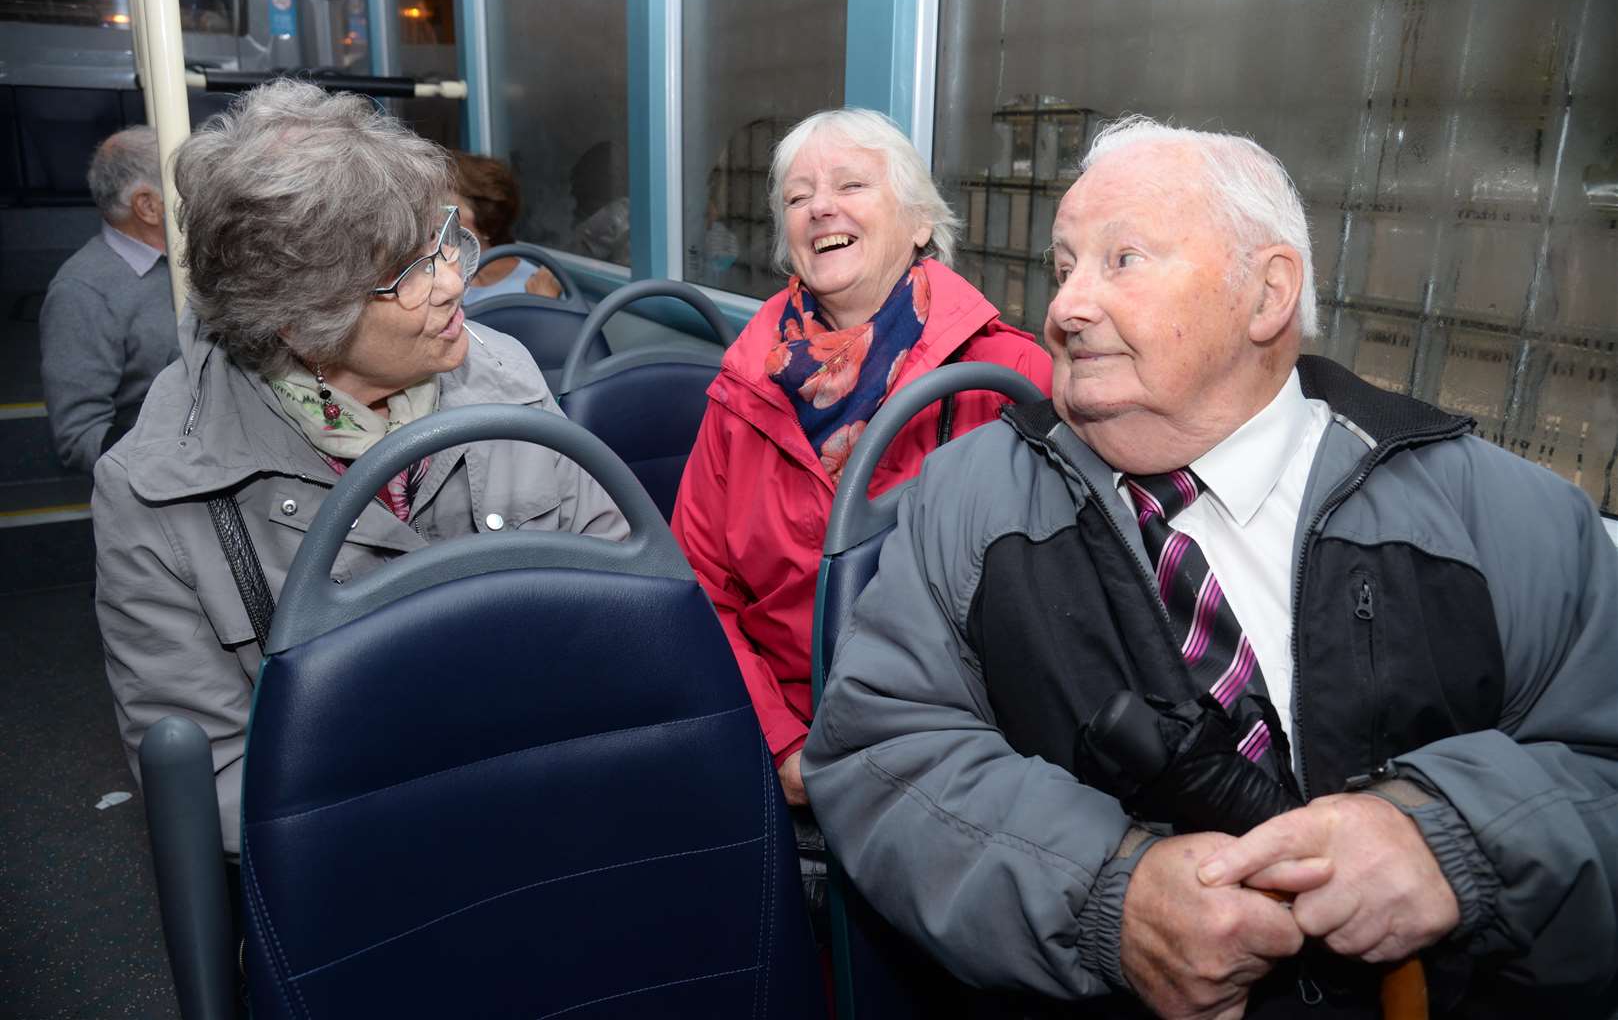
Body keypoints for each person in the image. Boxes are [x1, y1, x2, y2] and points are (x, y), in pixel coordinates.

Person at [803, 117, 1618, 1018]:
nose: (1067, 307)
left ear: (1267, 293)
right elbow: (880, 753)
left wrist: (1457, 840)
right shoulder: (964, 503)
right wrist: (1109, 897)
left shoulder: (1498, 515)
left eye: (1123, 260)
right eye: (1064, 266)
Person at [95, 81, 628, 857]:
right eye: (408, 272)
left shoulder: (504, 371)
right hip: (362, 859)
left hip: (560, 800)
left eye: (443, 238)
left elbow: (620, 599)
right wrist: (458, 820)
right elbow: (214, 775)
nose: (453, 281)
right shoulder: (158, 488)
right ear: (299, 319)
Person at [671, 107, 1052, 814]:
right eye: (797, 196)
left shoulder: (1011, 376)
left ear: (918, 223)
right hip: (789, 738)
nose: (820, 208)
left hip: (968, 752)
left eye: (851, 185)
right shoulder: (741, 388)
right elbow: (698, 585)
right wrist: (782, 744)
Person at [40, 125, 180, 472]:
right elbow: (80, 435)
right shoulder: (82, 291)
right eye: (187, 188)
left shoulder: (191, 257)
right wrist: (175, 460)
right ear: (147, 206)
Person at [448, 150, 564, 304]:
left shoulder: (538, 286)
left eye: (448, 207)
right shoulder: (439, 280)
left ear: (486, 222)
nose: (434, 218)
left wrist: (545, 306)